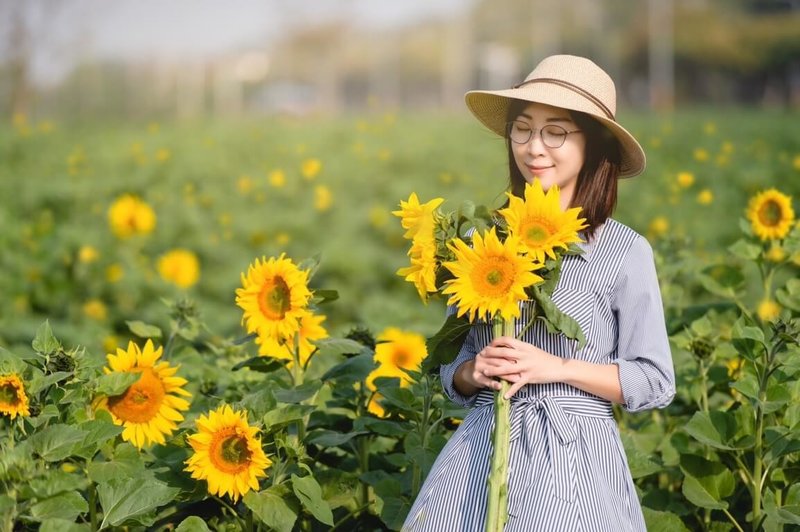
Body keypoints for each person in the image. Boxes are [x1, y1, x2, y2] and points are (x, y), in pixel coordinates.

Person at [402, 54, 675, 531]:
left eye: (556, 132)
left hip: (576, 462)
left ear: (592, 143)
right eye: (523, 129)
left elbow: (655, 380)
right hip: (479, 457)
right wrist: (473, 370)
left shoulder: (623, 251)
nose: (534, 148)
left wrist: (558, 368)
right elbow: (452, 370)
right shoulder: (479, 242)